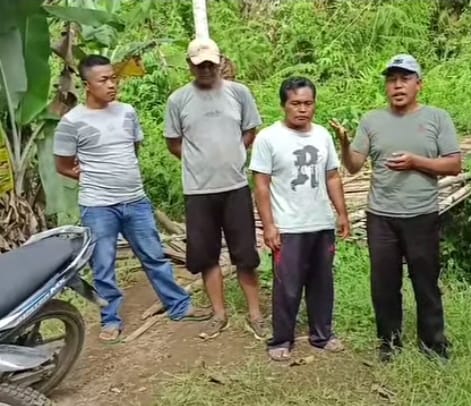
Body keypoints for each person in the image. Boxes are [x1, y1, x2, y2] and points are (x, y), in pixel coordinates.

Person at [53, 55, 212, 343]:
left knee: (154, 256)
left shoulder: (127, 112)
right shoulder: (71, 122)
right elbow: (63, 165)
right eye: (103, 80)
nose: (111, 84)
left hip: (135, 200)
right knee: (103, 265)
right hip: (98, 206)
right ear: (87, 85)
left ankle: (179, 306)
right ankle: (110, 320)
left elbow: (133, 150)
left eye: (113, 78)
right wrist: (96, 178)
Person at [331, 54, 462, 362]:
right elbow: (353, 166)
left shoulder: (437, 118)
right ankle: (389, 344)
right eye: (392, 80)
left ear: (419, 84)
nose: (398, 86)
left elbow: (454, 164)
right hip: (381, 217)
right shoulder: (372, 120)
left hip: (422, 215)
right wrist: (345, 144)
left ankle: (433, 345)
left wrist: (416, 162)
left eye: (405, 79)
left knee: (425, 282)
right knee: (384, 285)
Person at [164, 38, 268, 341]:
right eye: (200, 65)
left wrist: (233, 154)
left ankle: (256, 314)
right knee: (206, 255)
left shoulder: (239, 93)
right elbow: (173, 142)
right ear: (190, 66)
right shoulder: (178, 100)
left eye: (211, 63)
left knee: (245, 254)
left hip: (235, 187)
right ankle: (218, 314)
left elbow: (250, 130)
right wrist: (199, 161)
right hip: (198, 191)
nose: (206, 69)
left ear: (220, 61)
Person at [249, 76, 350, 361]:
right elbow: (261, 185)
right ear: (284, 105)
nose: (302, 109)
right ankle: (282, 339)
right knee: (287, 286)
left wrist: (341, 213)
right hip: (288, 225)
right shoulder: (268, 138)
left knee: (322, 283)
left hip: (320, 222)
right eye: (296, 103)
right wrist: (269, 225)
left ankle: (322, 335)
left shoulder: (322, 135)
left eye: (308, 103)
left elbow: (332, 176)